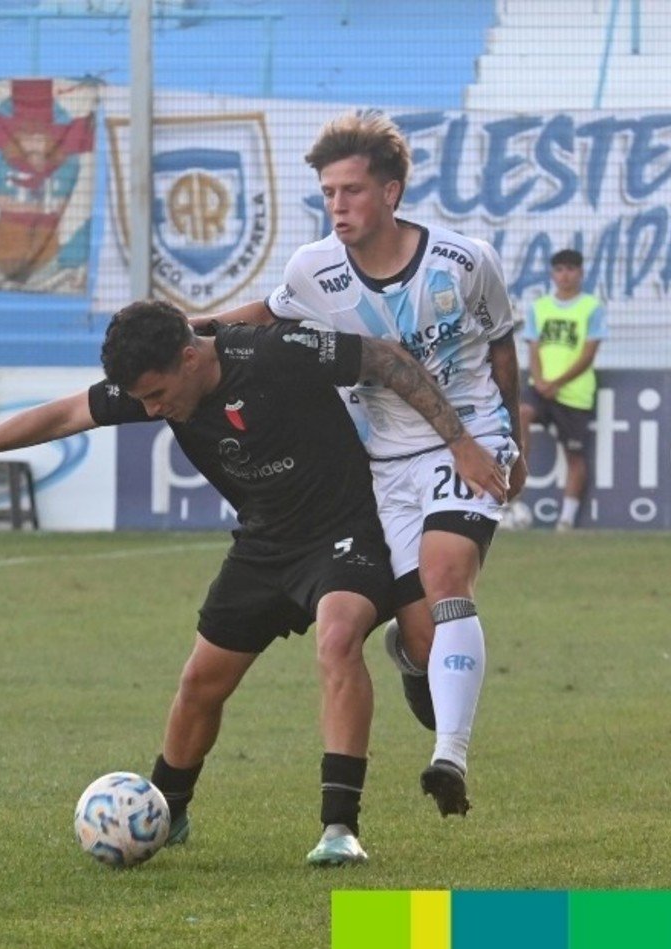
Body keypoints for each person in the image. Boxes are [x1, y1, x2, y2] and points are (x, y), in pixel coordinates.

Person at [0, 300, 500, 866]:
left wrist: (461, 443)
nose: (151, 411)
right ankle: (165, 811)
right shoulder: (157, 383)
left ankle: (339, 828)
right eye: (141, 400)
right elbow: (68, 412)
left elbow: (385, 358)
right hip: (263, 547)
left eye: (156, 396)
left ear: (189, 357)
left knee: (337, 638)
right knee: (200, 681)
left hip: (345, 534)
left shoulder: (274, 353)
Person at [192, 110, 525, 819]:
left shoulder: (464, 262)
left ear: (392, 192)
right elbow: (271, 312)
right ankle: (412, 659)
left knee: (444, 575)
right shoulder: (312, 269)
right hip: (382, 461)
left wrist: (510, 442)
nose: (337, 206)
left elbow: (501, 351)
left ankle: (450, 760)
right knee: (421, 631)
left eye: (351, 190)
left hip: (467, 439)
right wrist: (193, 328)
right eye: (328, 193)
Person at [520, 248, 605, 532]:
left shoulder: (591, 307)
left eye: (570, 269)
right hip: (541, 387)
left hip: (573, 393)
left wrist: (557, 383)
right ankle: (512, 496)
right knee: (521, 413)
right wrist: (540, 379)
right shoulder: (540, 307)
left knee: (575, 456)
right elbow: (533, 348)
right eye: (559, 270)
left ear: (580, 273)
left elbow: (588, 353)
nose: (565, 275)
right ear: (552, 274)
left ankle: (566, 519)